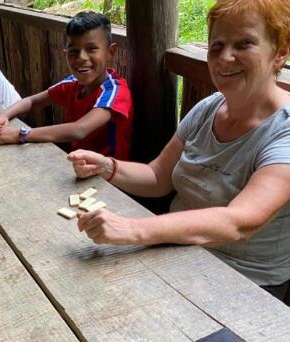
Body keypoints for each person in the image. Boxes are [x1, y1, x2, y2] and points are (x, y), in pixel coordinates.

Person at [69, 0, 290, 301]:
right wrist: (108, 166)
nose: (225, 58)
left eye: (244, 44)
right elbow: (158, 175)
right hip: (176, 253)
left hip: (244, 283)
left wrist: (133, 229)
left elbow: (240, 222)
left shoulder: (284, 131)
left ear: (280, 53)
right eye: (217, 45)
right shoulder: (207, 109)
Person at [0, 11, 133, 160]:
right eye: (73, 51)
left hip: (107, 178)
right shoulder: (73, 84)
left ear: (110, 52)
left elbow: (79, 130)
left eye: (91, 49)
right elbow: (31, 101)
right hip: (76, 163)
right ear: (65, 53)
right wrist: (2, 117)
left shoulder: (115, 92)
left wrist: (20, 134)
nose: (81, 58)